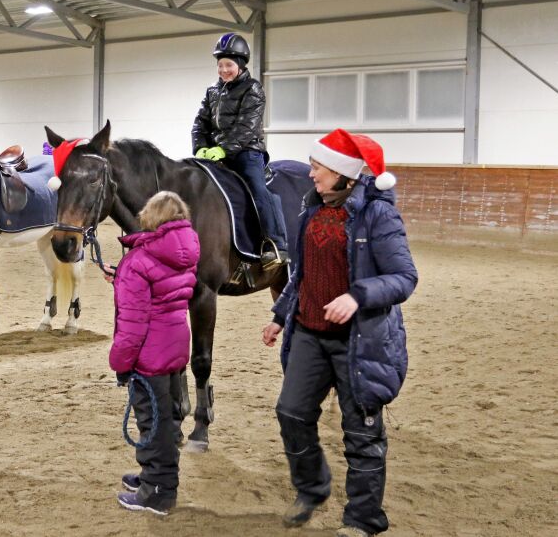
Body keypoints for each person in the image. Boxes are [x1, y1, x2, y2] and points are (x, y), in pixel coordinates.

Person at [261, 129, 417, 537]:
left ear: (343, 174)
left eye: (317, 168)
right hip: (310, 334)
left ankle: (364, 520)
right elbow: (302, 275)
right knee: (291, 413)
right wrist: (280, 316)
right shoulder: (310, 209)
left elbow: (404, 277)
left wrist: (358, 295)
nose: (311, 175)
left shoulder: (378, 214)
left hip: (358, 342)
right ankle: (312, 488)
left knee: (361, 433)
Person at [110, 191, 200, 516]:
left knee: (153, 423)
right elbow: (163, 289)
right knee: (167, 421)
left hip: (148, 354)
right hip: (175, 345)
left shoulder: (138, 261)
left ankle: (157, 493)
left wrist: (120, 364)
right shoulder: (184, 251)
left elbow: (132, 325)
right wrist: (120, 277)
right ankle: (153, 477)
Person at [191, 32, 288, 266]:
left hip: (246, 151)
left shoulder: (253, 89)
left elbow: (247, 127)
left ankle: (276, 243)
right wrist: (201, 147)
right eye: (220, 65)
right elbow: (199, 123)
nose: (224, 70)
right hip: (214, 152)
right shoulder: (212, 91)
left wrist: (224, 149)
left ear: (241, 65)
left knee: (258, 190)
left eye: (229, 65)